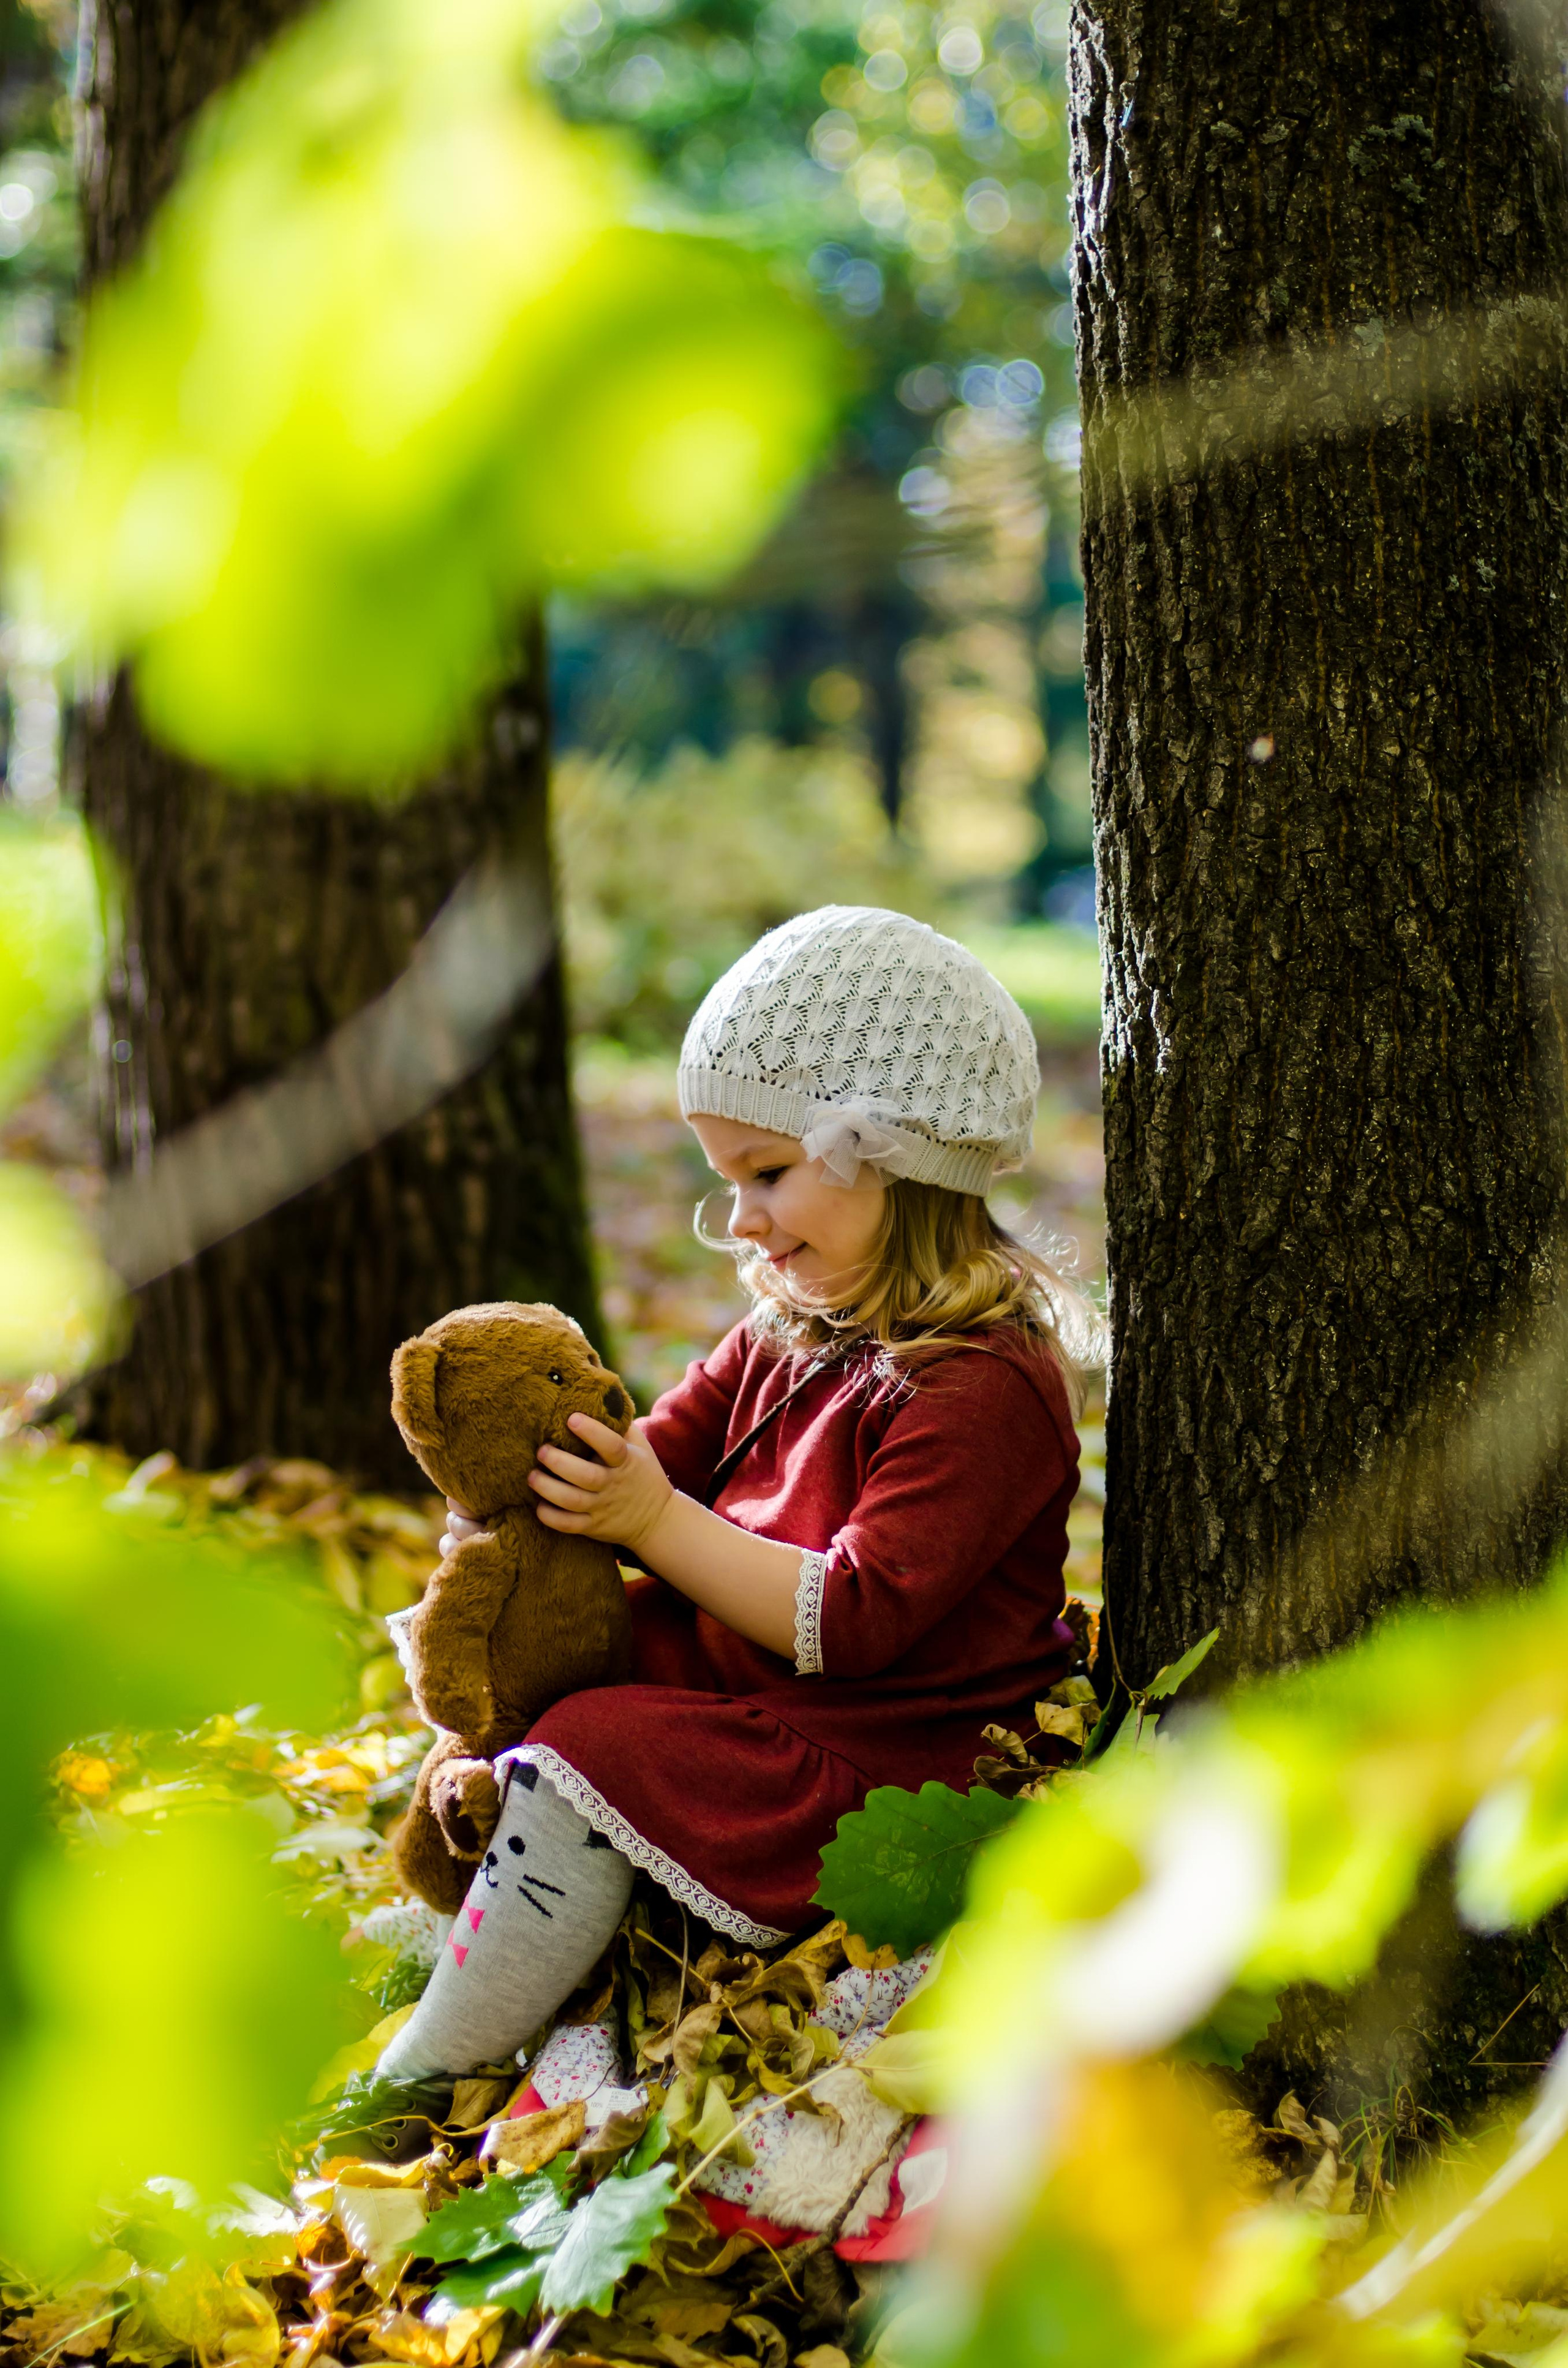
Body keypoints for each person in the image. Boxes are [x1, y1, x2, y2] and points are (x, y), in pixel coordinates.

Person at [378, 904, 1100, 2079]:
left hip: (887, 1749)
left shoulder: (983, 1382)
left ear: (898, 1155)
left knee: (595, 1742)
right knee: (559, 1666)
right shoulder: (791, 1324)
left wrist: (653, 1520)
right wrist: (525, 1498)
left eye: (767, 1175)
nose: (748, 1224)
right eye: (729, 1184)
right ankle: (476, 1906)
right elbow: (655, 1451)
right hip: (757, 1688)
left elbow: (858, 1618)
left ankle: (428, 2067)